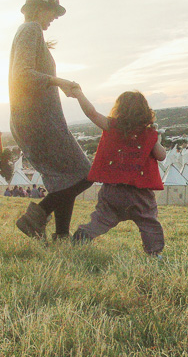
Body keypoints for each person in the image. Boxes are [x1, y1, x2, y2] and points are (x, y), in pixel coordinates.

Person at [10, 0, 93, 241]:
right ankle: (34, 218)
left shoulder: (31, 33)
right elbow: (21, 75)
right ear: (40, 8)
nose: (54, 17)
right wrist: (60, 82)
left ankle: (61, 236)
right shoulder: (30, 29)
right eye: (52, 11)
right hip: (38, 120)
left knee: (63, 178)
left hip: (37, 119)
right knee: (85, 173)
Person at [69, 88, 167, 256]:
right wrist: (156, 139)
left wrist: (79, 94)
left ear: (119, 109)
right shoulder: (148, 134)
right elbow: (161, 156)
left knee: (102, 218)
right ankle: (154, 253)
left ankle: (86, 233)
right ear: (145, 112)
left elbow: (91, 113)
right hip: (139, 193)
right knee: (148, 222)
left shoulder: (111, 127)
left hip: (113, 190)